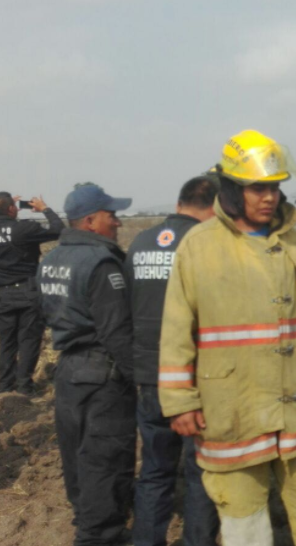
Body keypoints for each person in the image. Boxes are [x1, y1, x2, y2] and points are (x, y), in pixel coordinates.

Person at [160, 129, 296, 546]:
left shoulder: (293, 242)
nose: (269, 197)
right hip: (232, 407)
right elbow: (176, 330)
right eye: (257, 188)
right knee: (245, 525)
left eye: (275, 188)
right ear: (231, 190)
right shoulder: (198, 247)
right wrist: (179, 401)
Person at [38, 183, 137, 546]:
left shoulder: (50, 260)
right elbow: (118, 334)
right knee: (105, 461)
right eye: (112, 216)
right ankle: (100, 535)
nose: (118, 223)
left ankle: (87, 519)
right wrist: (141, 379)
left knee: (77, 456)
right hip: (103, 378)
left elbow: (43, 314)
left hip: (68, 373)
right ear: (92, 221)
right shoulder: (103, 263)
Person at [126, 175, 220, 546]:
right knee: (201, 473)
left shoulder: (140, 242)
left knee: (154, 470)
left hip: (149, 377)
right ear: (214, 207)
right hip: (193, 378)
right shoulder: (206, 245)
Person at [0, 192, 64, 395]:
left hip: (3, 295)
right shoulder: (24, 229)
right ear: (12, 209)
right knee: (29, 340)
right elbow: (58, 230)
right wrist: (44, 209)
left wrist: (5, 208)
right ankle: (24, 387)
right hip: (28, 292)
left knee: (6, 343)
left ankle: (2, 388)